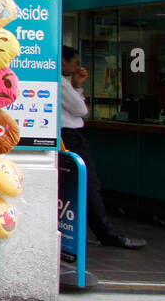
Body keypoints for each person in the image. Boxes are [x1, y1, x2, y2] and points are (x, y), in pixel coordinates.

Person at [60, 45, 145, 249]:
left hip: (67, 134)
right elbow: (81, 109)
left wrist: (78, 85)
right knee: (90, 185)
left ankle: (79, 231)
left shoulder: (64, 82)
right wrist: (76, 88)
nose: (77, 67)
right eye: (75, 62)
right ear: (63, 60)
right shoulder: (60, 82)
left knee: (76, 184)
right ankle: (106, 234)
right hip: (71, 136)